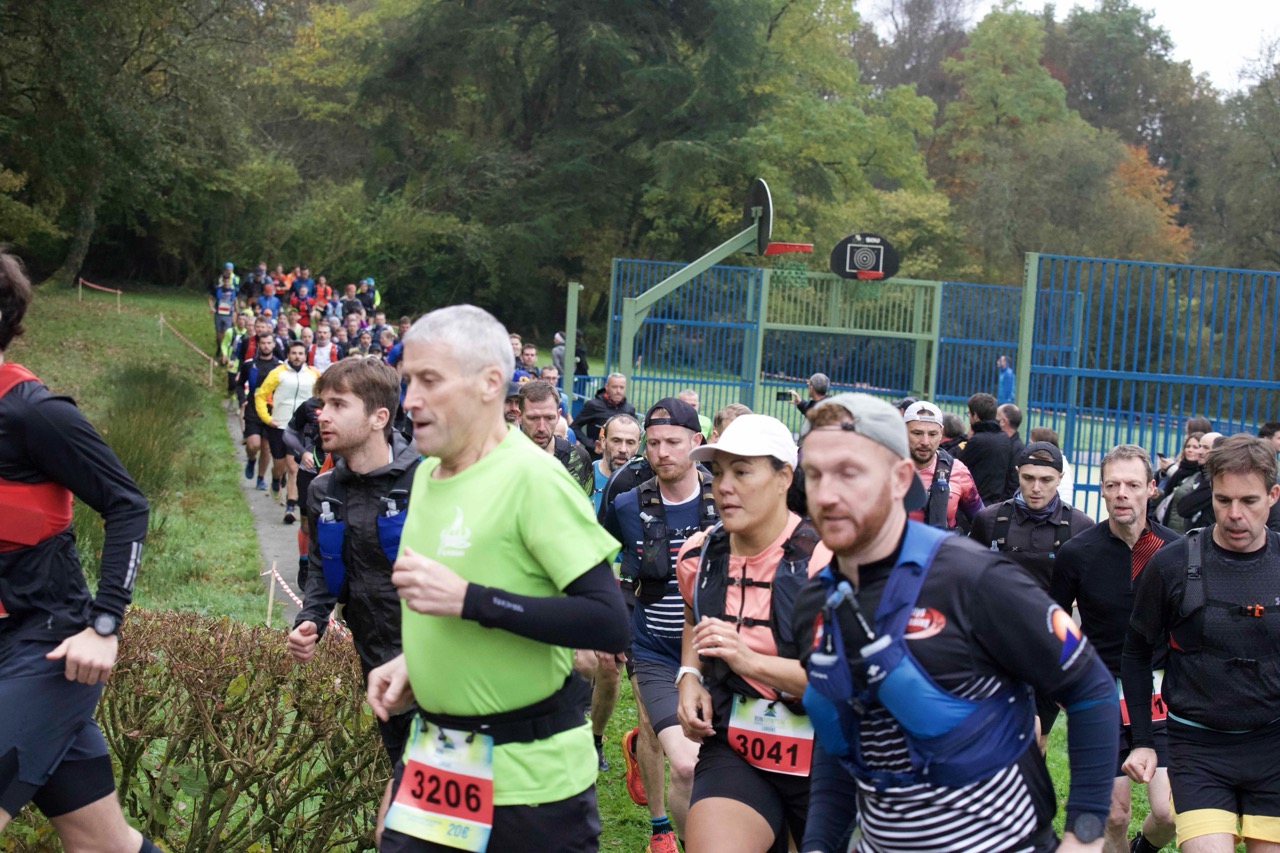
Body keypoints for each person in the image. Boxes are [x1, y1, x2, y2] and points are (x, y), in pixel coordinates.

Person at [792, 393, 1118, 853]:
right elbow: (842, 745)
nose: (826, 494)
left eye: (849, 473)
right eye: (814, 474)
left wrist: (1084, 834)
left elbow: (1090, 685)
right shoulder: (816, 603)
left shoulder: (972, 576)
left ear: (899, 478)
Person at [365, 305, 629, 853]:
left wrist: (471, 601)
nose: (409, 400)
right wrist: (418, 663)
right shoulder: (426, 476)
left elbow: (607, 622)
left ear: (490, 384)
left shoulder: (534, 479)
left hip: (531, 791)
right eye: (409, 381)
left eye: (430, 381)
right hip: (438, 767)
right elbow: (452, 604)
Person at [0, 251, 161, 852]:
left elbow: (128, 503)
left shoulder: (31, 412)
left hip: (49, 649)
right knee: (105, 845)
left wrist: (105, 623)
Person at [674, 415, 833, 852]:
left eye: (742, 472)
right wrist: (688, 676)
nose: (724, 487)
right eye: (718, 472)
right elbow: (693, 616)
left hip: (830, 753)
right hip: (737, 745)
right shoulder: (699, 555)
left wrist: (750, 661)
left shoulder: (827, 564)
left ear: (784, 477)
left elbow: (847, 681)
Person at [1122, 434, 1280, 853]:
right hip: (1197, 747)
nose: (1234, 514)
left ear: (1273, 496)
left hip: (1273, 744)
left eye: (1249, 501)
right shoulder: (1173, 563)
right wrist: (1143, 740)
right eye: (1223, 500)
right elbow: (1136, 652)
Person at [287, 357, 420, 844]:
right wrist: (311, 620)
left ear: (379, 417)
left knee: (401, 824)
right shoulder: (324, 490)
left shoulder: (427, 482)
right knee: (424, 818)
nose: (321, 415)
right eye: (322, 404)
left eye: (338, 405)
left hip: (441, 671)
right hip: (377, 667)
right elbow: (322, 568)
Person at [1050, 446, 1179, 853]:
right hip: (1101, 690)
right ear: (1103, 490)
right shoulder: (1077, 553)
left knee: (1169, 814)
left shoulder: (1175, 550)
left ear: (1152, 489)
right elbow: (1055, 623)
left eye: (1133, 485)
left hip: (1160, 692)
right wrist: (1065, 682)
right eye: (1113, 485)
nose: (1122, 493)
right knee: (1113, 816)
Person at [603, 397, 714, 852]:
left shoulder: (725, 499)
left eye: (672, 442)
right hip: (650, 646)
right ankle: (661, 828)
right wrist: (608, 622)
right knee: (682, 760)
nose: (662, 452)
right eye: (653, 443)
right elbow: (597, 559)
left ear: (696, 442)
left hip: (711, 650)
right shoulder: (627, 503)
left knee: (704, 755)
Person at [969, 441, 1094, 591]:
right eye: (1028, 478)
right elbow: (969, 575)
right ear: (1018, 473)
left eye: (1046, 480)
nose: (1036, 488)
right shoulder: (988, 519)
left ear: (1060, 478)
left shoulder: (1081, 526)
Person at [255, 341, 320, 522]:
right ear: (288, 354)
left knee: (293, 467)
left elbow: (321, 397)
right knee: (279, 465)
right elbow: (260, 395)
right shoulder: (278, 373)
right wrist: (267, 418)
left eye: (300, 353)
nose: (297, 356)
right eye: (294, 353)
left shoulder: (313, 375)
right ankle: (276, 479)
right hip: (280, 424)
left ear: (305, 356)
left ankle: (291, 506)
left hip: (301, 429)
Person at [903, 401, 982, 531]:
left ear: (941, 434)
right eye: (917, 433)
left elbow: (981, 520)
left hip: (940, 543)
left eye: (932, 434)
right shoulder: (886, 468)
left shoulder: (958, 470)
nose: (925, 442)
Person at [518, 380, 591, 493]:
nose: (541, 428)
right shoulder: (501, 458)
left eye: (549, 418)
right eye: (533, 418)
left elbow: (588, 502)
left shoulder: (579, 458)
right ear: (519, 416)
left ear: (558, 415)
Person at [237, 332, 283, 491]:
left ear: (274, 345)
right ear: (258, 344)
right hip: (253, 409)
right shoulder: (250, 364)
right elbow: (240, 384)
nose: (266, 346)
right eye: (263, 343)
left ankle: (261, 478)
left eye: (269, 343)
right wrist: (242, 399)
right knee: (253, 445)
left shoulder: (280, 366)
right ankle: (251, 459)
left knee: (266, 447)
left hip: (272, 411)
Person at [959, 391, 1013, 506]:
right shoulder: (1004, 438)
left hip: (975, 502)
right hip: (996, 501)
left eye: (969, 414)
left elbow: (959, 467)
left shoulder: (977, 440)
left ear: (975, 416)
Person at [575, 373, 636, 459]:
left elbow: (636, 434)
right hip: (596, 458)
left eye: (621, 387)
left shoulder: (629, 409)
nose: (618, 391)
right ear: (607, 387)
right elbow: (574, 427)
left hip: (621, 458)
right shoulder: (593, 405)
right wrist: (592, 445)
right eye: (614, 387)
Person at [592, 414, 641, 515]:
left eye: (630, 443)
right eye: (616, 441)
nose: (623, 449)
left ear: (638, 446)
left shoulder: (645, 483)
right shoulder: (584, 477)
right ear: (603, 442)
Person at [1030, 427, 1074, 507]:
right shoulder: (1058, 461)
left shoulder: (1056, 464)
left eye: (1031, 444)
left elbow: (1063, 494)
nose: (1029, 447)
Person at [209, 262, 239, 353]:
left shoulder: (233, 290)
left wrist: (236, 311)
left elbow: (235, 300)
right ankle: (219, 347)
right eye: (225, 281)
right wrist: (211, 307)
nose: (226, 283)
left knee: (227, 333)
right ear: (222, 280)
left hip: (228, 314)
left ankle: (224, 350)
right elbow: (210, 298)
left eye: (228, 281)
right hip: (218, 313)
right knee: (219, 333)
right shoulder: (217, 289)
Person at [998, 403, 1025, 501]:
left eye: (995, 418)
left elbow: (1013, 484)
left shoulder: (1016, 449)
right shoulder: (1017, 447)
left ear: (1003, 421)